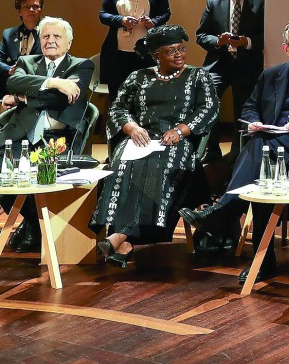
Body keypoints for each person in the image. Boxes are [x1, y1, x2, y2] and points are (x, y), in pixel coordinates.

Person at [180, 20, 289, 283]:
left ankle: (229, 217)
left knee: (259, 150)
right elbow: (249, 107)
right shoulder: (270, 75)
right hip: (274, 141)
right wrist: (253, 121)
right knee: (262, 162)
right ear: (286, 48)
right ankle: (259, 255)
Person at [91, 25, 218, 266]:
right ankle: (125, 242)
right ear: (156, 55)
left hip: (177, 141)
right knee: (121, 163)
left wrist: (181, 130)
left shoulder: (198, 76)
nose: (179, 54)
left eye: (182, 48)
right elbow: (118, 108)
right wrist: (132, 128)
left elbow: (209, 108)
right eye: (171, 51)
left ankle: (119, 236)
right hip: (142, 138)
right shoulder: (137, 77)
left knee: (159, 165)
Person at [0, 17, 93, 252]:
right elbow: (14, 83)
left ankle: (33, 226)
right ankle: (34, 222)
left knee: (44, 176)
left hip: (57, 141)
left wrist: (24, 97)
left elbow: (57, 99)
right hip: (21, 135)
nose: (50, 41)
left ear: (68, 43)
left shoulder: (82, 65)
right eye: (46, 36)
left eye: (57, 37)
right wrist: (54, 82)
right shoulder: (27, 61)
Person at [98, 0, 171, 106]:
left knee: (144, 100)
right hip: (118, 53)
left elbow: (166, 13)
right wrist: (121, 20)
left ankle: (142, 132)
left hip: (146, 54)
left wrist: (153, 22)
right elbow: (103, 15)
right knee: (118, 100)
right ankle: (119, 130)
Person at [195, 0, 265, 106]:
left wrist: (247, 42)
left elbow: (268, 37)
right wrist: (218, 41)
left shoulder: (261, 3)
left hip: (248, 65)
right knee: (207, 101)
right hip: (219, 64)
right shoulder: (213, 2)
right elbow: (201, 35)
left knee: (244, 110)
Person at [0, 0, 45, 98]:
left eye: (36, 6)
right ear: (19, 11)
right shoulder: (9, 34)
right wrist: (9, 70)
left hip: (37, 85)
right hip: (12, 85)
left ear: (41, 9)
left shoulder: (49, 33)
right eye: (27, 6)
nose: (32, 9)